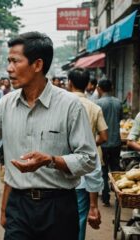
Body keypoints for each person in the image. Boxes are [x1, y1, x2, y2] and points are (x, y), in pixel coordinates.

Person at [0, 32, 97, 240]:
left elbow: (88, 159)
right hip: (18, 205)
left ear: (37, 65)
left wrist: (51, 160)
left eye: (15, 61)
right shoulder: (5, 105)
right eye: (8, 61)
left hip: (58, 206)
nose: (9, 69)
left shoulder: (70, 105)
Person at [67, 68, 107, 240]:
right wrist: (89, 144)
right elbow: (104, 136)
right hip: (83, 172)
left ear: (69, 83)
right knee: (80, 218)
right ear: (89, 86)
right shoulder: (94, 107)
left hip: (60, 171)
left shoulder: (62, 104)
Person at [95, 79, 123, 206]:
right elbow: (120, 119)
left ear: (99, 88)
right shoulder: (118, 102)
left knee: (104, 171)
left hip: (103, 143)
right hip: (116, 141)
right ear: (111, 88)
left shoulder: (98, 103)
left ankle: (105, 198)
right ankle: (119, 197)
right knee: (116, 170)